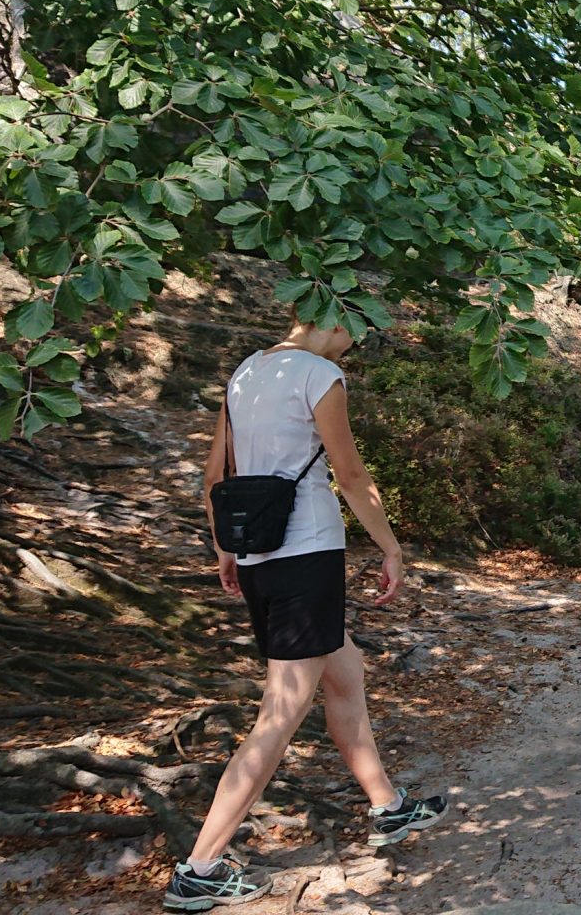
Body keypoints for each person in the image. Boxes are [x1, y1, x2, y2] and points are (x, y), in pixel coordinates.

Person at [165, 315, 446, 911]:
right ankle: (200, 868)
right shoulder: (320, 374)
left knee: (345, 673)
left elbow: (217, 474)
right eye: (356, 329)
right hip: (307, 554)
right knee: (280, 714)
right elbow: (350, 474)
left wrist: (224, 547)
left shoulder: (247, 372)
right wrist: (391, 548)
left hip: (258, 554)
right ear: (334, 319)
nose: (356, 342)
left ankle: (389, 807)